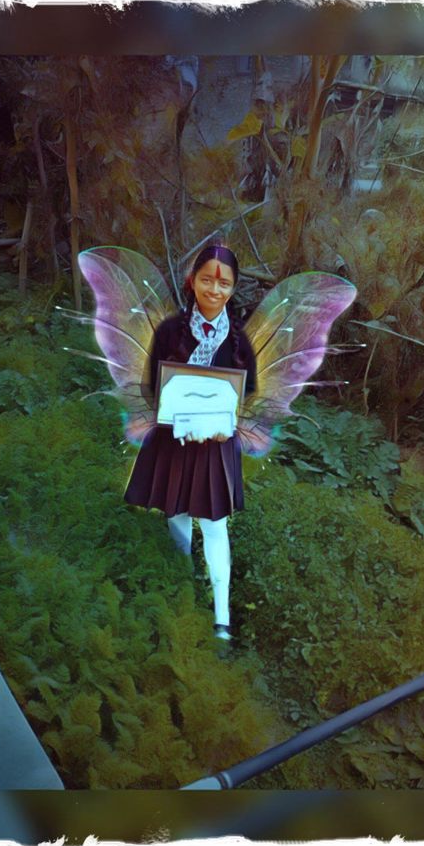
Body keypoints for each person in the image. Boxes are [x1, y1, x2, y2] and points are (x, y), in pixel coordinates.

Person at [123, 244, 257, 641]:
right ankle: (182, 590)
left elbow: (247, 393)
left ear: (233, 288)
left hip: (216, 446)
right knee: (176, 514)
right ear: (192, 280)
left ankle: (221, 618)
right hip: (174, 441)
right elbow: (153, 384)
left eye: (224, 283)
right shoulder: (169, 331)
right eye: (207, 280)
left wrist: (225, 423)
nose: (215, 289)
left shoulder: (239, 339)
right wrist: (176, 415)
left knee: (215, 525)